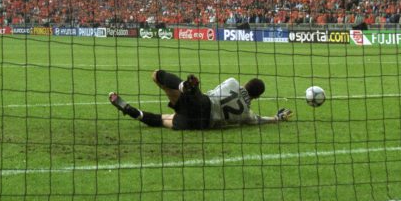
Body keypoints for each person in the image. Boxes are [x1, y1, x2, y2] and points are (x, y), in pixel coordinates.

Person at [109, 69, 292, 130]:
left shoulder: (233, 82)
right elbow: (260, 120)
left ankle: (184, 86)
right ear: (257, 97)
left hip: (202, 103)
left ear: (246, 83)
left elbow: (214, 92)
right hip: (201, 124)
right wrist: (276, 118)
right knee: (164, 120)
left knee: (158, 76)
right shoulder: (247, 114)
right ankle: (136, 113)